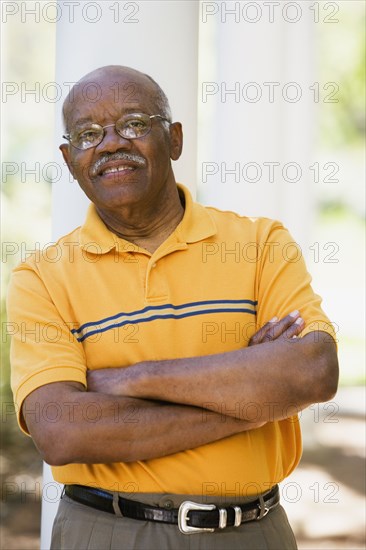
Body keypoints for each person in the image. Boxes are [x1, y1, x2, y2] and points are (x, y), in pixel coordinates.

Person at [8, 65, 338, 550]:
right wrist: (252, 403)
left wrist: (132, 379)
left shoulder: (260, 242)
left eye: (135, 124)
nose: (111, 143)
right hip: (107, 533)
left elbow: (313, 372)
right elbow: (62, 430)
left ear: (175, 139)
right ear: (69, 158)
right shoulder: (41, 277)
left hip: (251, 533)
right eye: (88, 134)